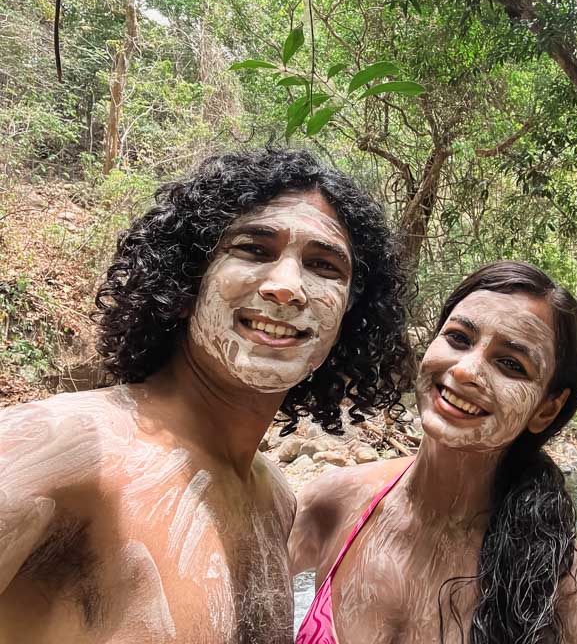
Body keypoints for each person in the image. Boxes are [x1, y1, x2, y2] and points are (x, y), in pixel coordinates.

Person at [0, 148, 411, 643]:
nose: (287, 287)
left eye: (324, 266)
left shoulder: (277, 501)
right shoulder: (67, 447)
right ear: (187, 278)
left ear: (349, 316)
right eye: (255, 249)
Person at [289, 261, 577, 644]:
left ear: (547, 409)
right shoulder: (331, 505)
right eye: (458, 338)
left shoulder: (568, 590)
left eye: (511, 364)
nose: (466, 371)